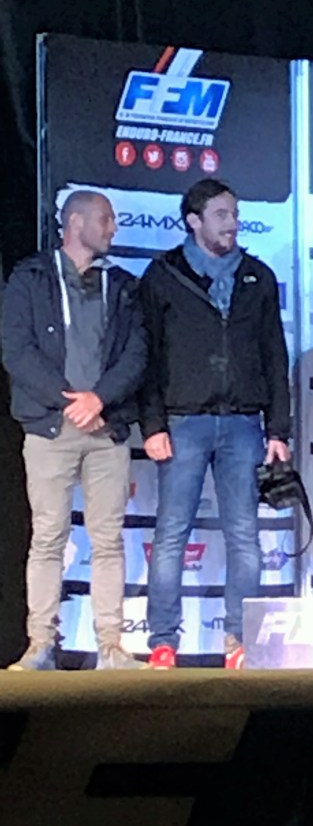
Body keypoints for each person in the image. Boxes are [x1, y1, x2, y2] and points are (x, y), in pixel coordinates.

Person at [139, 178, 291, 670]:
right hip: (182, 422)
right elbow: (147, 355)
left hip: (244, 425)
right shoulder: (162, 275)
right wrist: (152, 424)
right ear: (194, 221)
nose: (233, 223)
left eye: (235, 214)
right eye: (222, 214)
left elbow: (275, 356)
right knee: (171, 535)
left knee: (245, 536)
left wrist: (279, 429)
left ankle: (239, 642)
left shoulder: (258, 276)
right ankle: (163, 643)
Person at [1, 190, 147, 670]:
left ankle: (111, 647)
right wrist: (71, 403)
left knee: (108, 540)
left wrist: (98, 399)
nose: (113, 228)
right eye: (105, 219)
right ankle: (41, 645)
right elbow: (16, 351)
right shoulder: (30, 278)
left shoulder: (122, 285)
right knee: (48, 538)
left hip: (106, 429)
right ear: (76, 222)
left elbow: (137, 354)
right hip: (50, 427)